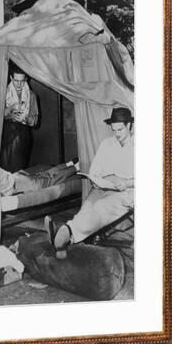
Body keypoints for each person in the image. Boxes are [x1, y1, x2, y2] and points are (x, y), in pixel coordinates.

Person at [47, 107, 134, 259]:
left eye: (120, 130)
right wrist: (96, 180)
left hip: (126, 191)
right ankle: (64, 243)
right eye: (114, 130)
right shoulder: (106, 144)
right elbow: (95, 169)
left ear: (129, 126)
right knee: (86, 209)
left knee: (101, 207)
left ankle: (66, 233)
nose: (117, 135)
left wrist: (127, 183)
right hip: (103, 187)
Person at [0, 143, 79, 196]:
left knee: (50, 180)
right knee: (45, 174)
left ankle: (75, 167)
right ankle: (68, 164)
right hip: (17, 177)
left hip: (21, 184)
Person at [0, 68, 39, 173]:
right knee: (4, 168)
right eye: (16, 80)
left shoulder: (32, 95)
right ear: (11, 78)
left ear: (26, 79)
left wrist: (25, 119)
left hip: (22, 134)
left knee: (18, 168)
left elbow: (35, 121)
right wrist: (10, 108)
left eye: (22, 81)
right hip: (5, 133)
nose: (19, 84)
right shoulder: (2, 93)